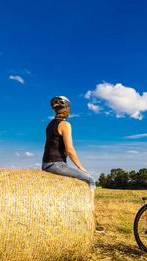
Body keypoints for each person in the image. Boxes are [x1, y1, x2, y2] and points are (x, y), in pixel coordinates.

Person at [42, 96, 104, 232]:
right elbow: (70, 150)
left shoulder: (49, 125)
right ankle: (92, 217)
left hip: (45, 164)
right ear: (66, 109)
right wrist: (80, 167)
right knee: (90, 180)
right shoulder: (65, 124)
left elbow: (46, 144)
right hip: (56, 164)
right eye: (69, 108)